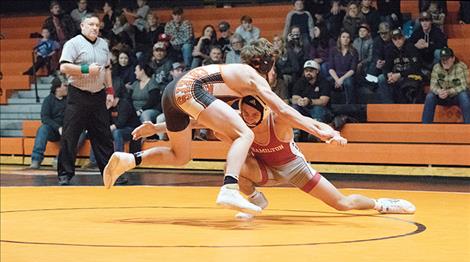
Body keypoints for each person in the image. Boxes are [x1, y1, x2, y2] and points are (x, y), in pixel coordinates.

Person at [103, 38, 340, 215]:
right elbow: (283, 110)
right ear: (265, 63)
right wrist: (319, 131)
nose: (273, 72)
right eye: (273, 66)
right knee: (244, 133)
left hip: (174, 94)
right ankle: (229, 188)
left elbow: (200, 118)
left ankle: (129, 160)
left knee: (180, 156)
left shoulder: (233, 84)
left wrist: (157, 129)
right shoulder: (251, 75)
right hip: (189, 89)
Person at [131, 95, 416, 219]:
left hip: (294, 169)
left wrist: (331, 134)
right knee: (232, 158)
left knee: (342, 204)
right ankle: (256, 200)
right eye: (245, 114)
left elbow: (308, 122)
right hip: (262, 169)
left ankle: (382, 204)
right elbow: (196, 123)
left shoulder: (277, 120)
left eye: (254, 115)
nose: (249, 119)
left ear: (264, 112)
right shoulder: (238, 121)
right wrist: (155, 127)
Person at [57, 13, 116, 186]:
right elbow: (64, 67)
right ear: (82, 26)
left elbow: (107, 69)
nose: (95, 28)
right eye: (91, 24)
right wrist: (85, 69)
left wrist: (110, 90)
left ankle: (109, 173)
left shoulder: (103, 44)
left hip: (98, 95)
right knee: (70, 135)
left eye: (97, 25)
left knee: (104, 137)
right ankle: (65, 174)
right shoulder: (73, 43)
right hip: (78, 94)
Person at [422, 47, 470, 124]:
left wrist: (450, 91)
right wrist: (439, 91)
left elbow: (464, 85)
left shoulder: (461, 67)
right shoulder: (436, 68)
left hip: (456, 96)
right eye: (443, 59)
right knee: (430, 96)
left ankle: (468, 126)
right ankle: (425, 126)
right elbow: (433, 86)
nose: (445, 62)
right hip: (442, 96)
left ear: (453, 58)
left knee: (464, 95)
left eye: (447, 59)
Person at [30, 77, 68, 169]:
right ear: (57, 88)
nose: (67, 88)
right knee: (43, 129)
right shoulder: (48, 100)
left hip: (67, 129)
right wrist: (58, 127)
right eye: (64, 86)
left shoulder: (69, 100)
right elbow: (45, 118)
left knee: (75, 131)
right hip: (54, 130)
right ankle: (36, 159)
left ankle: (60, 159)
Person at [378, 28, 423, 104]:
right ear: (392, 40)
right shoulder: (389, 49)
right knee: (381, 78)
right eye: (395, 39)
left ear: (403, 38)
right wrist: (388, 74)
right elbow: (386, 67)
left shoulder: (411, 48)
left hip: (409, 76)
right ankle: (389, 106)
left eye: (399, 38)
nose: (397, 41)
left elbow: (416, 68)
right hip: (395, 76)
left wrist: (400, 75)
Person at [291, 60, 331, 141]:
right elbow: (294, 98)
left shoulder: (324, 82)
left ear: (317, 71)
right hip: (305, 109)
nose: (308, 73)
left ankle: (315, 133)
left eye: (311, 71)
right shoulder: (300, 81)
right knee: (294, 107)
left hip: (323, 111)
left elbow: (324, 101)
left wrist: (310, 101)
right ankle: (295, 132)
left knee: (318, 108)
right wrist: (300, 101)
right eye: (306, 71)